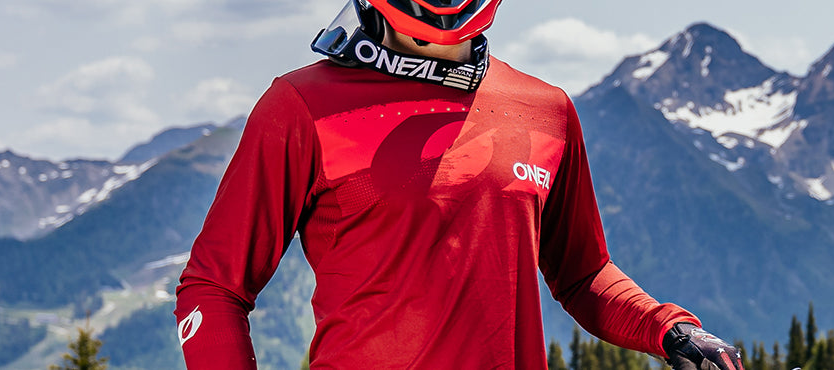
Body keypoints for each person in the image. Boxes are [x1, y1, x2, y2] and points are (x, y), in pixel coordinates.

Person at [173, 0, 744, 368]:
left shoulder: (546, 110)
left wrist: (671, 331)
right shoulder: (299, 107)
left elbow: (581, 272)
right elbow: (213, 287)